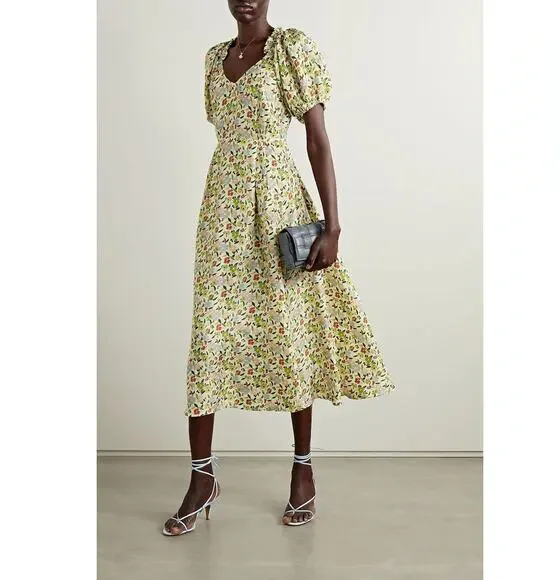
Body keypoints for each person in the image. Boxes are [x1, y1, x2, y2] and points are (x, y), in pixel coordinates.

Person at [162, 0, 396, 536]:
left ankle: (303, 470)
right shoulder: (213, 58)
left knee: (291, 333)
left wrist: (333, 226)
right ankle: (202, 478)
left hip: (278, 207)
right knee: (209, 336)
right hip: (222, 210)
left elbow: (317, 140)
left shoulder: (292, 48)